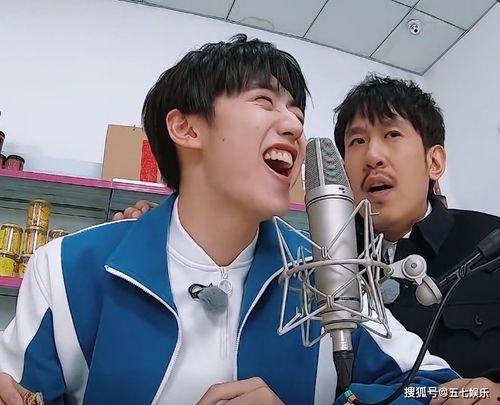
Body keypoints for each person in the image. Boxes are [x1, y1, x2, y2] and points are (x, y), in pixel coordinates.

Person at [0, 36, 457, 404]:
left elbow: (445, 389)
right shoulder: (67, 270)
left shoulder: (330, 275)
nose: (294, 126)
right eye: (264, 101)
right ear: (187, 128)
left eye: (297, 113)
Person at [333, 74, 500, 402]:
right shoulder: (329, 269)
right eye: (357, 141)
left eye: (392, 134)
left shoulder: (491, 243)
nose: (372, 156)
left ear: (433, 162)